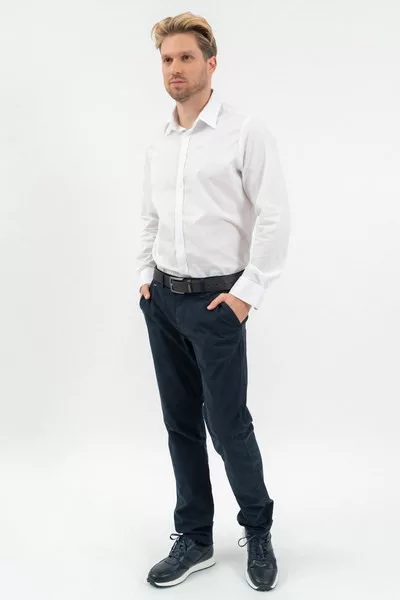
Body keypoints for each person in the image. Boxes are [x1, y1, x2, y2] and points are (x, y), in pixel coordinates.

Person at [136, 11, 290, 592]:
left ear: (211, 63)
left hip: (217, 306)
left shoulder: (244, 131)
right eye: (167, 59)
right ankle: (196, 537)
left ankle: (258, 528)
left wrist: (245, 297)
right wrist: (144, 280)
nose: (175, 68)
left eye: (186, 57)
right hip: (163, 301)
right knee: (180, 424)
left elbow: (274, 216)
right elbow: (149, 217)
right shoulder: (160, 141)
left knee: (227, 426)